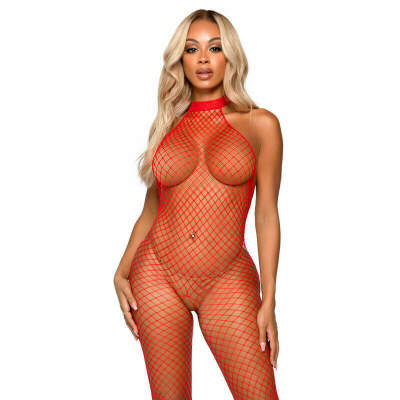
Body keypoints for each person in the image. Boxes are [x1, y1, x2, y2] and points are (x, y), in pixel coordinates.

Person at [114, 9, 283, 400]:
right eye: (192, 49)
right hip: (156, 275)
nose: (203, 59)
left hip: (226, 279)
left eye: (215, 48)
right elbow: (152, 211)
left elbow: (266, 214)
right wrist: (121, 271)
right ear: (180, 59)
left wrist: (269, 298)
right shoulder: (168, 125)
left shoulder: (261, 124)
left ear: (231, 55)